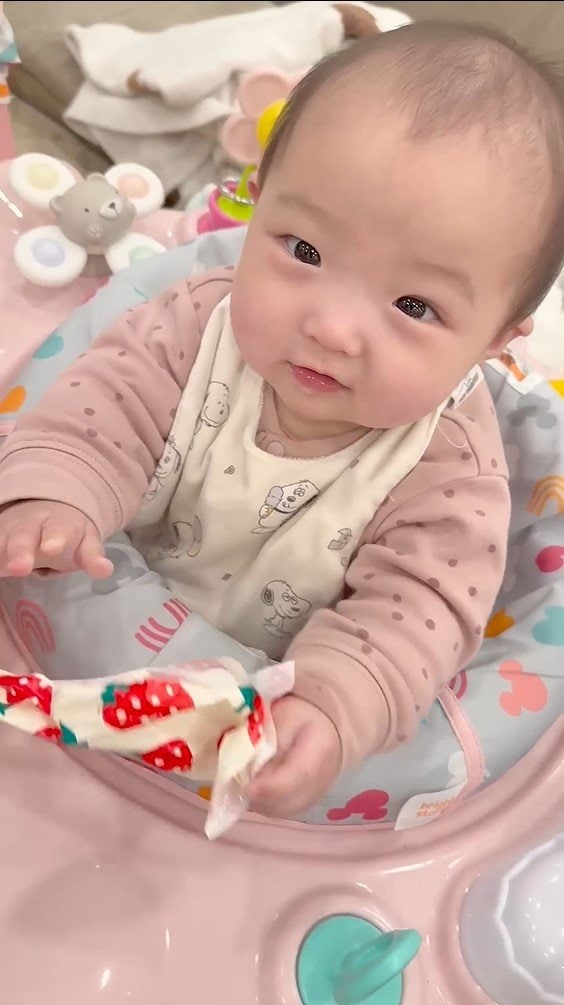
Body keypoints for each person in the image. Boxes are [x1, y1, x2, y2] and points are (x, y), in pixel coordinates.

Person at [0, 22, 563, 818]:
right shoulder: (198, 323)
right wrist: (58, 496)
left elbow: (420, 611)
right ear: (257, 202)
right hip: (62, 654)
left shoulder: (451, 469)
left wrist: (333, 705)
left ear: (495, 340)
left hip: (236, 754)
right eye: (303, 250)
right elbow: (104, 407)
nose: (331, 327)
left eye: (414, 306)